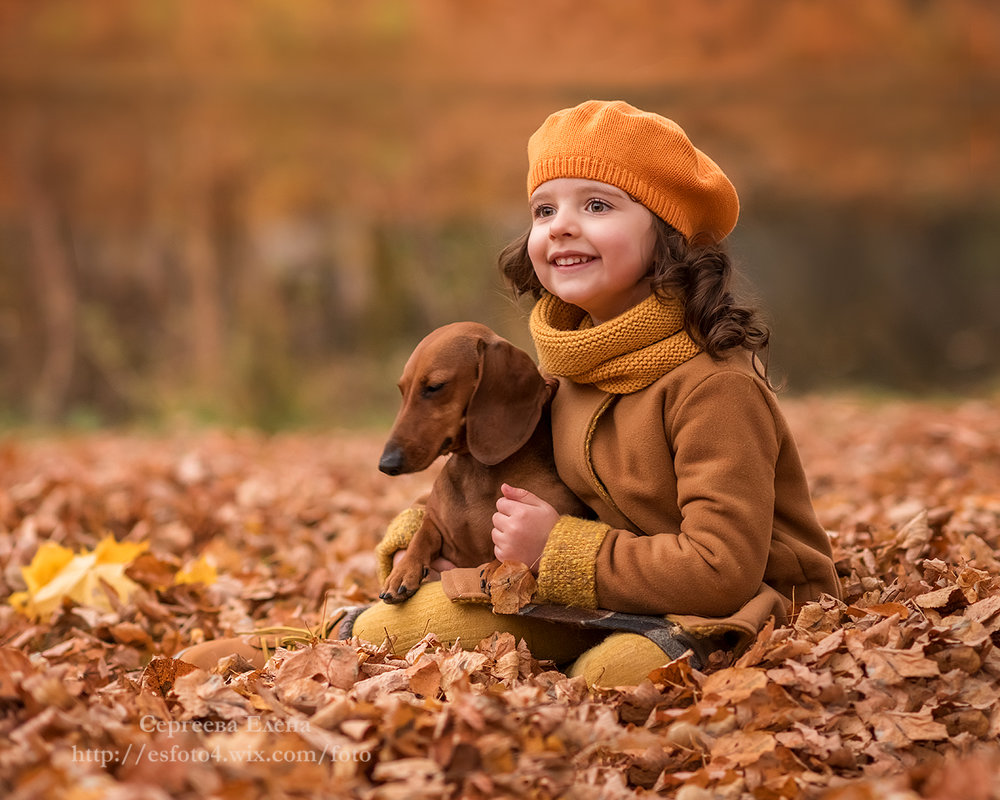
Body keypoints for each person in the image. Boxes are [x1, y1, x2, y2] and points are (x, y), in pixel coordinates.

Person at [180, 100, 841, 686]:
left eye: (598, 205)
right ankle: (286, 652)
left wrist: (555, 551)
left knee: (617, 677)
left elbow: (721, 568)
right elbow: (510, 471)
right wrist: (433, 530)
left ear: (669, 240)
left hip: (739, 605)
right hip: (609, 593)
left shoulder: (714, 387)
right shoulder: (569, 371)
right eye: (544, 209)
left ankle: (333, 647)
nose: (561, 225)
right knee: (412, 618)